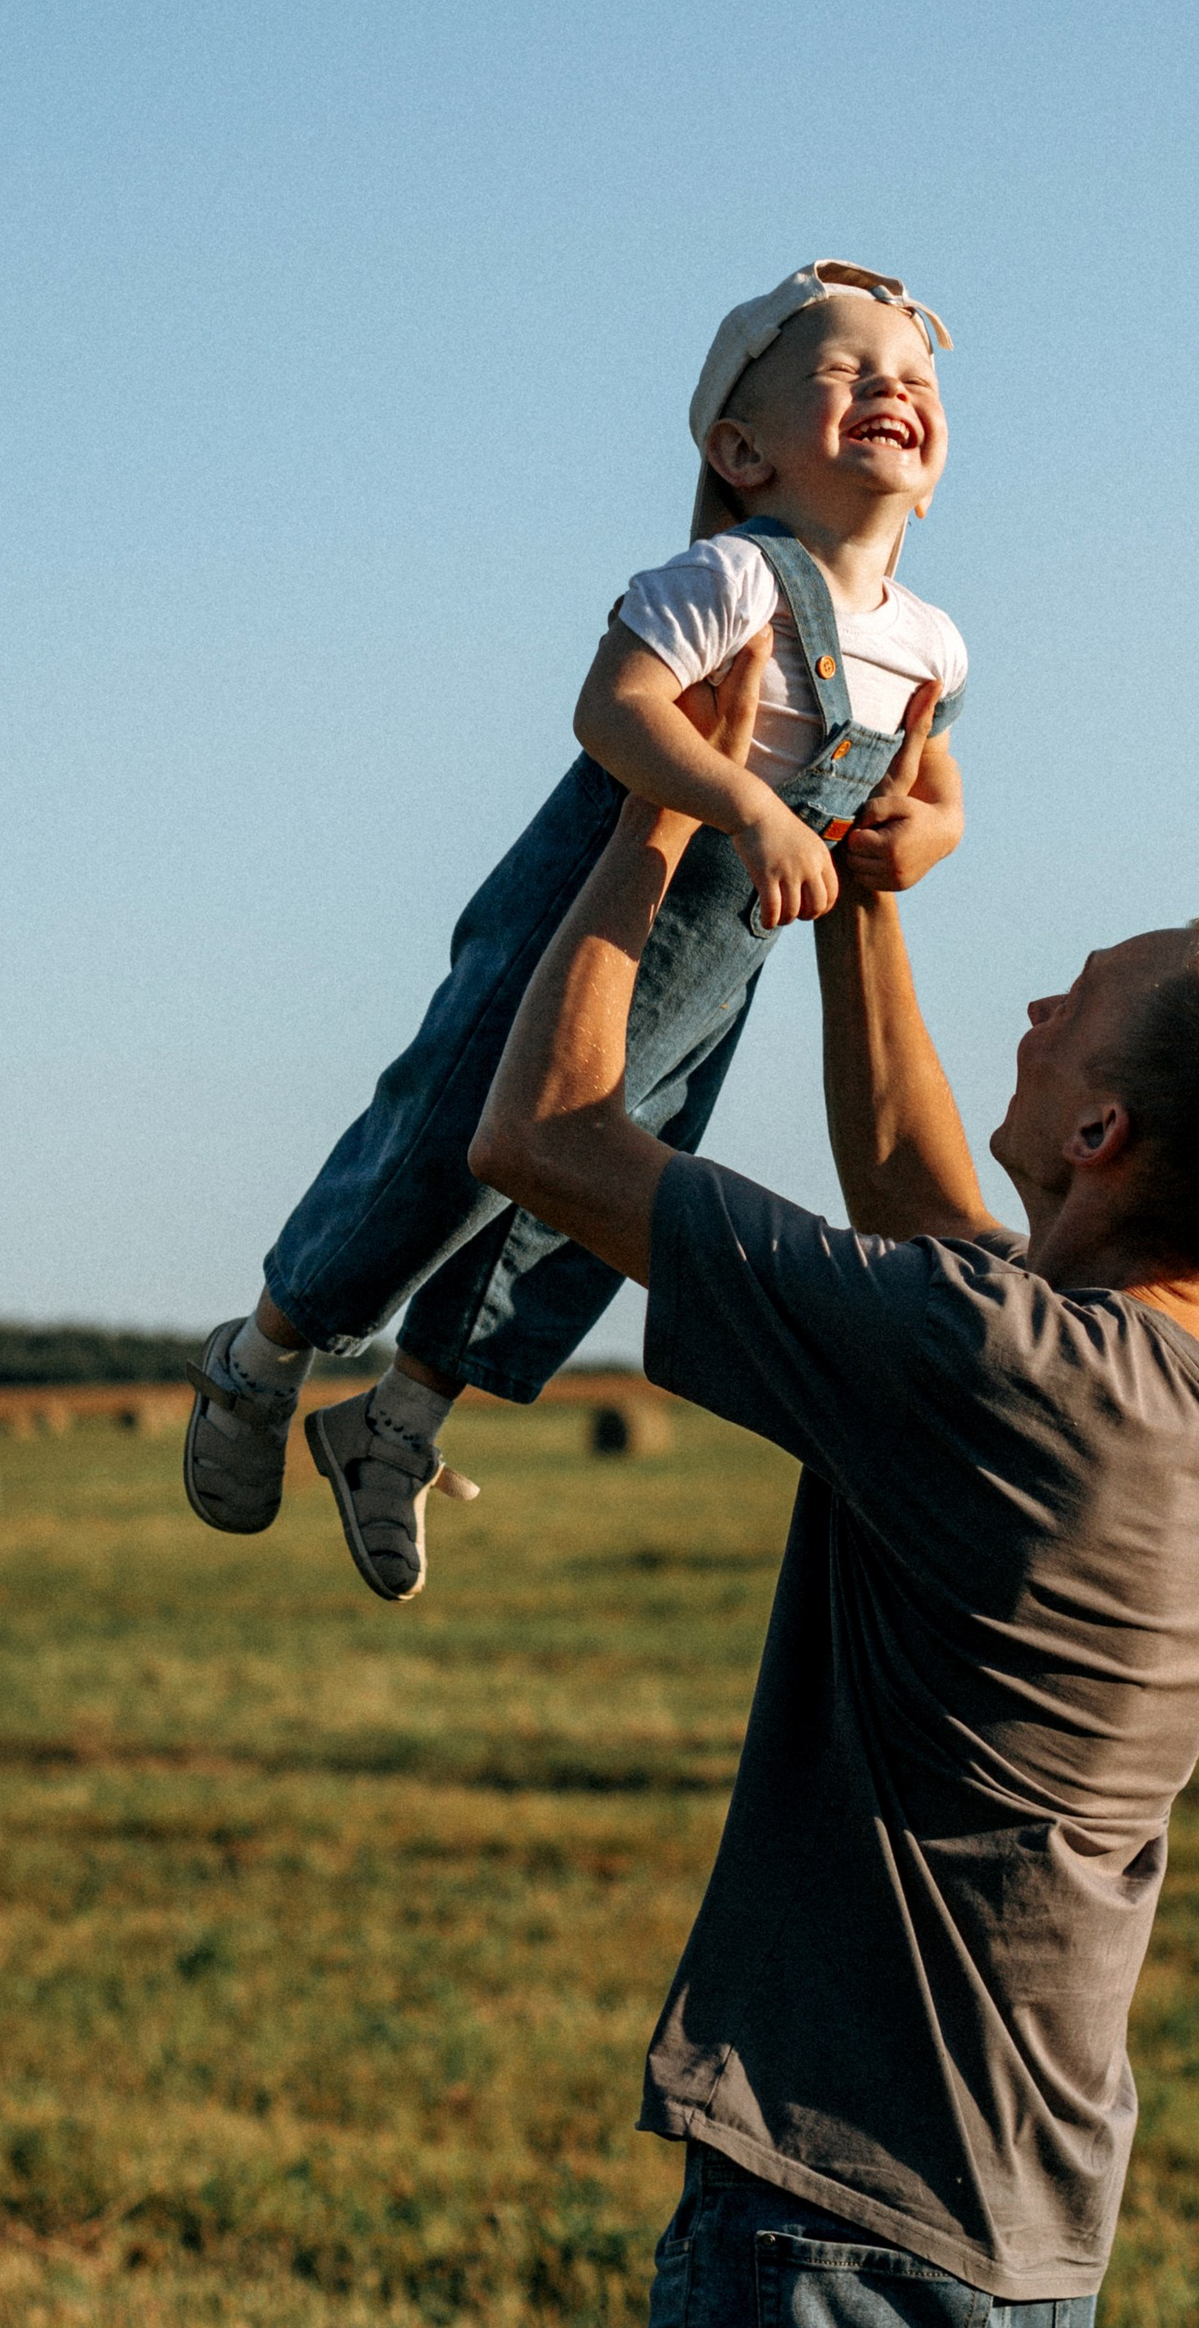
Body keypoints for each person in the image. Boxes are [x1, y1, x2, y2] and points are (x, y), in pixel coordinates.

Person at [464, 649, 1199, 2328]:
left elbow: (541, 1138)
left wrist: (673, 803)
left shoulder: (997, 1371)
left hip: (831, 2249)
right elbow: (920, 1202)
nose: (1044, 983)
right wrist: (868, 878)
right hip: (1029, 2262)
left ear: (1096, 1131)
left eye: (1081, 989)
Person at [179, 261, 969, 1603]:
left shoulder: (934, 645)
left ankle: (400, 1424)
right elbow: (616, 712)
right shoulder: (729, 575)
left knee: (584, 1208)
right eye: (847, 373)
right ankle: (263, 1356)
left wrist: (927, 837)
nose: (892, 390)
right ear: (741, 447)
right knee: (441, 1149)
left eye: (916, 379)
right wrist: (747, 809)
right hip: (582, 925)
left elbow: (933, 786)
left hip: (715, 973)